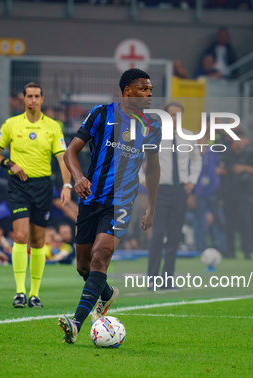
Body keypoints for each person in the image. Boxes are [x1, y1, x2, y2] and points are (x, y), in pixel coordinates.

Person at [58, 68, 161, 344]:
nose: (150, 94)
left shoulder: (152, 126)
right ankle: (106, 294)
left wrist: (151, 206)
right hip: (91, 198)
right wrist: (78, 178)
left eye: (151, 89)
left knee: (101, 254)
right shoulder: (101, 113)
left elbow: (152, 168)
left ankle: (76, 323)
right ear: (127, 91)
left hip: (122, 202)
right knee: (83, 266)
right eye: (144, 89)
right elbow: (71, 151)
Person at [0, 82, 72, 309]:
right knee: (20, 236)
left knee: (37, 241)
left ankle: (35, 294)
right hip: (19, 186)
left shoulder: (53, 127)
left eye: (37, 96)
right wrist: (9, 164)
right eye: (29, 96)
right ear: (23, 99)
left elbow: (62, 158)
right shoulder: (11, 124)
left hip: (43, 187)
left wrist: (66, 185)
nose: (33, 100)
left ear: (42, 99)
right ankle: (20, 292)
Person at [147, 102, 201, 288]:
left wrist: (192, 180)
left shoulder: (189, 137)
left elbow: (196, 160)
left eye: (178, 115)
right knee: (158, 234)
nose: (175, 118)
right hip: (160, 190)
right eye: (171, 115)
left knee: (174, 235)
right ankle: (152, 279)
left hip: (180, 191)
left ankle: (167, 280)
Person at [221, 131, 253, 260]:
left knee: (245, 222)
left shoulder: (251, 156)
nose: (239, 142)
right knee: (229, 223)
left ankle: (247, 250)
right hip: (229, 192)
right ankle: (230, 250)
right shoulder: (227, 155)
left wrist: (244, 168)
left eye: (241, 139)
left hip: (244, 192)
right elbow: (224, 169)